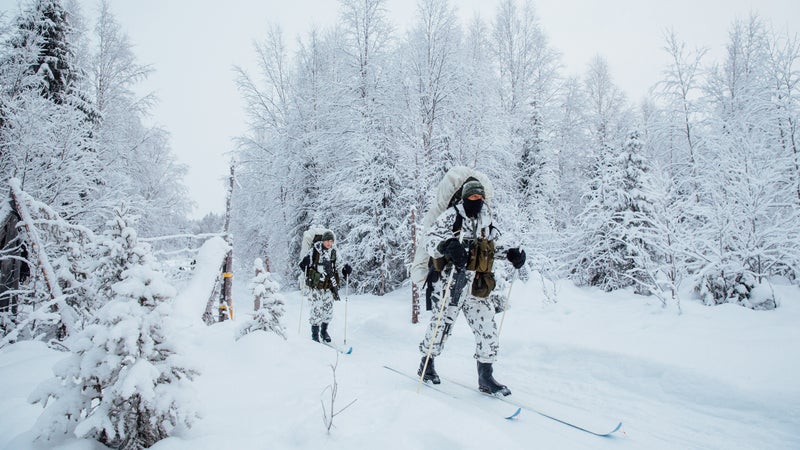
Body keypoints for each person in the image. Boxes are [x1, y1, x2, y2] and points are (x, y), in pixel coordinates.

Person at [417, 178, 526, 395]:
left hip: (477, 284)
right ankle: (427, 364)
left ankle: (485, 375)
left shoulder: (486, 218)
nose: (477, 200)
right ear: (465, 197)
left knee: (487, 326)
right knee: (441, 325)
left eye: (480, 197)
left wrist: (512, 254)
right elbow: (429, 239)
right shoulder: (452, 216)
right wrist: (446, 245)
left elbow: (493, 246)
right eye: (473, 197)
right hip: (451, 282)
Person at [299, 231, 352, 343]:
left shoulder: (334, 252)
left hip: (328, 287)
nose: (329, 243)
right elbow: (303, 266)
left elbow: (340, 265)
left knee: (328, 311)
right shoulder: (314, 250)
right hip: (316, 287)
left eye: (331, 241)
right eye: (327, 241)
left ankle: (323, 332)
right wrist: (305, 263)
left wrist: (345, 270)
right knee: (316, 310)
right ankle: (315, 335)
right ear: (323, 241)